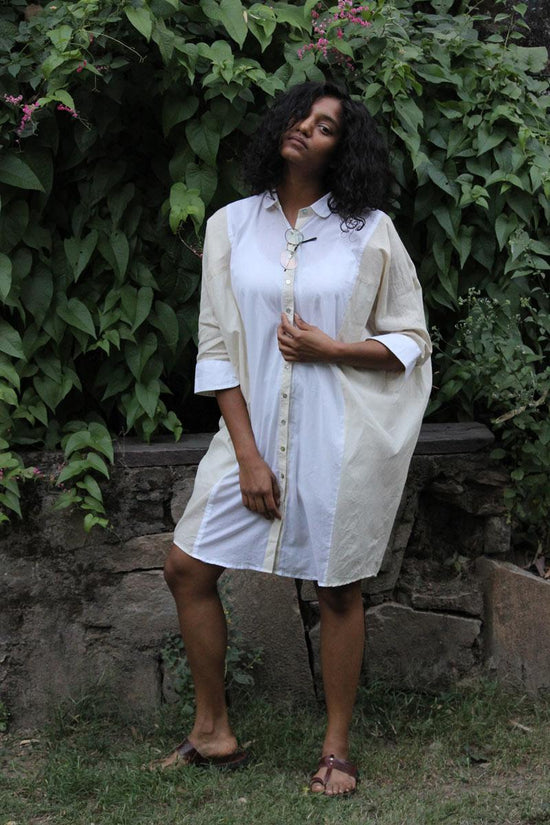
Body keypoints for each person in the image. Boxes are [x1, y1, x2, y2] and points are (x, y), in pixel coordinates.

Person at [162, 81, 432, 796]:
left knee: (338, 589)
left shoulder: (369, 232)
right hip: (249, 437)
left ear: (342, 149)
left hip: (338, 439)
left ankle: (336, 750)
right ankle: (212, 730)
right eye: (300, 117)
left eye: (325, 126)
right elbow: (217, 347)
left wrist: (332, 348)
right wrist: (248, 456)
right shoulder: (229, 226)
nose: (306, 129)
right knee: (186, 568)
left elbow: (411, 340)